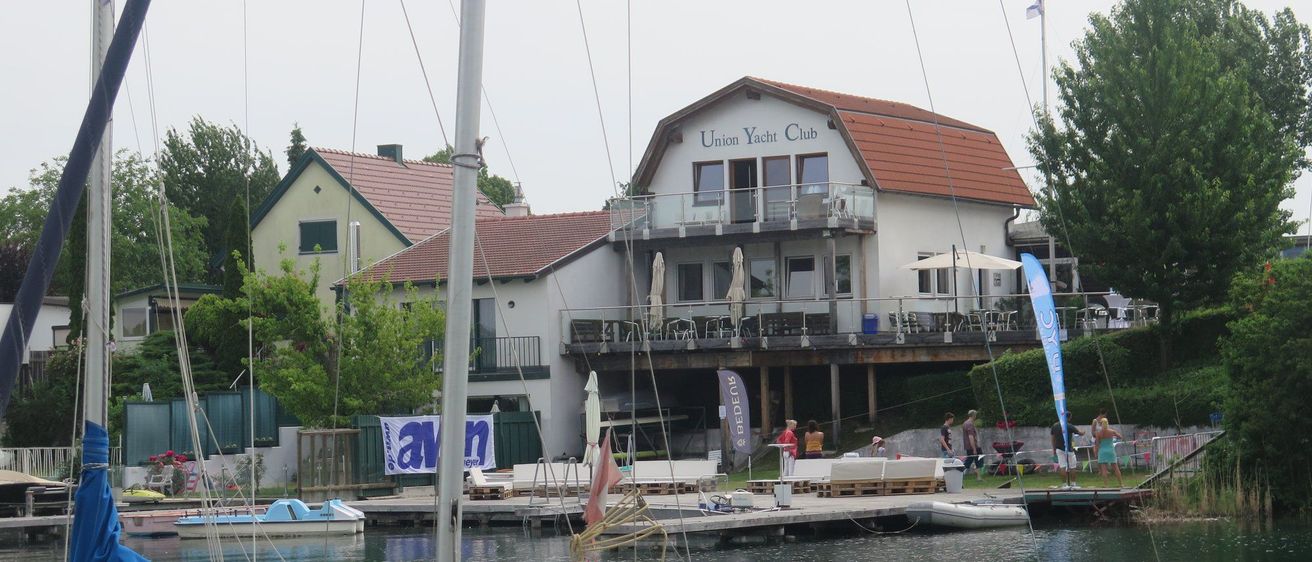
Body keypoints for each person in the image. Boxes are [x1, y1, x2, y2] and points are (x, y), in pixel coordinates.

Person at [1050, 411, 1084, 487]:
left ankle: (1064, 485)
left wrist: (1054, 449)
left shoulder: (1055, 426)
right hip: (1068, 449)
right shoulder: (1069, 425)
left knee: (1062, 466)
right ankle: (1073, 484)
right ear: (1069, 417)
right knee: (1072, 466)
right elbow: (1079, 433)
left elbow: (1052, 438)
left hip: (1058, 448)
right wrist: (1083, 432)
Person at [1093, 408, 1124, 488]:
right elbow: (1121, 437)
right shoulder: (1112, 431)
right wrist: (1115, 436)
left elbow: (1097, 444)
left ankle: (1106, 485)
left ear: (1101, 424)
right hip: (1111, 450)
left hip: (1102, 451)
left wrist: (1096, 452)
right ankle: (1121, 484)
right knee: (1116, 468)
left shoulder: (1098, 433)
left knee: (1104, 469)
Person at [962, 410, 984, 480]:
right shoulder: (969, 424)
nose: (976, 417)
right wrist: (974, 448)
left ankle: (977, 476)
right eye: (975, 415)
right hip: (973, 446)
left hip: (969, 446)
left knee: (969, 461)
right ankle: (978, 476)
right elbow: (970, 437)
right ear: (973, 415)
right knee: (979, 460)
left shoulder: (965, 423)